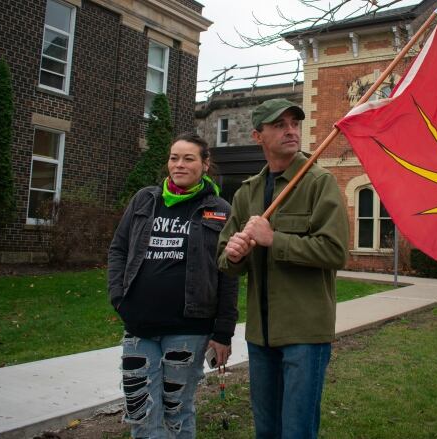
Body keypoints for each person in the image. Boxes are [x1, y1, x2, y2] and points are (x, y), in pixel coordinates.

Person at [217, 99, 349, 438]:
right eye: (279, 125)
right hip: (262, 335)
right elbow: (226, 259)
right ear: (258, 135)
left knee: (297, 430)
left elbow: (335, 252)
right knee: (267, 430)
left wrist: (274, 239)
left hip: (304, 332)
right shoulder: (248, 192)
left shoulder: (319, 183)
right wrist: (233, 255)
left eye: (294, 123)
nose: (291, 130)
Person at [107, 133, 238, 438]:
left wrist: (223, 332)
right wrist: (118, 297)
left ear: (205, 165)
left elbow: (228, 272)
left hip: (188, 329)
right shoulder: (145, 200)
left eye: (189, 158)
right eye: (174, 158)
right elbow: (118, 249)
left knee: (176, 410)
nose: (179, 165)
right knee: (139, 409)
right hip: (140, 325)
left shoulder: (219, 210)